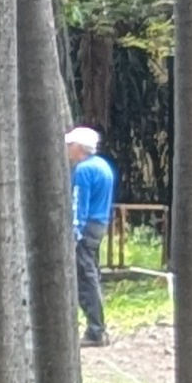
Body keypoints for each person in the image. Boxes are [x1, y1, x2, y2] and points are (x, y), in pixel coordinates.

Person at [67, 125, 117, 346]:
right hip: (99, 224)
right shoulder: (102, 166)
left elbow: (79, 204)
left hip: (86, 228)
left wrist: (74, 233)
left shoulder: (83, 170)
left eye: (70, 145)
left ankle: (95, 330)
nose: (68, 148)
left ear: (79, 148)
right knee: (92, 274)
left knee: (85, 278)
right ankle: (98, 327)